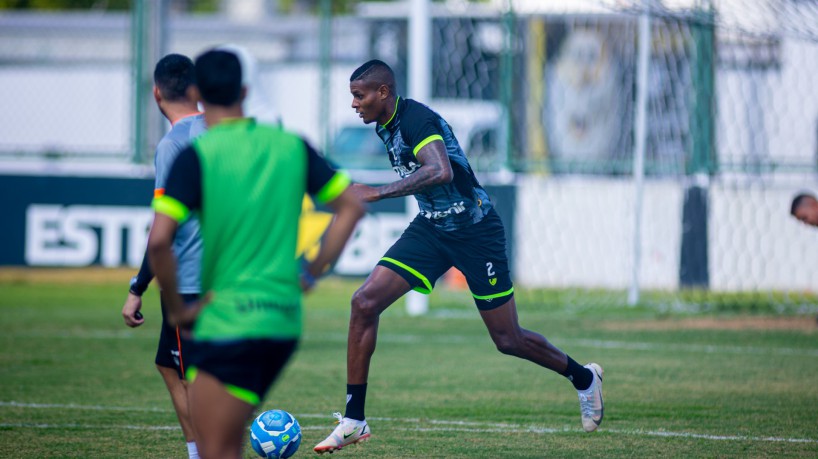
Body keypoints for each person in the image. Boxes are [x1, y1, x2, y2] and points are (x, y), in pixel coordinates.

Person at [314, 59, 604, 454]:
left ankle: (583, 378)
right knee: (364, 302)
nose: (353, 104)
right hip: (431, 230)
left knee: (508, 339)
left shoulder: (417, 119)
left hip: (476, 232)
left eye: (359, 95)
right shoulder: (385, 123)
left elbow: (441, 171)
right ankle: (354, 420)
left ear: (383, 92)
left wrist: (379, 192)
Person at [147, 49, 365, 459]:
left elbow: (159, 241)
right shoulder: (290, 145)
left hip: (227, 320)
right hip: (282, 322)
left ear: (196, 93)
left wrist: (177, 309)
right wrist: (313, 272)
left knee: (216, 449)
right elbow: (351, 207)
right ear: (244, 91)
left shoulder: (197, 156)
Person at [120, 53, 205, 459]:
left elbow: (162, 230)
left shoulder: (173, 144)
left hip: (189, 278)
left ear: (156, 93)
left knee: (190, 375)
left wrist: (138, 286)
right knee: (169, 365)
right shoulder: (221, 130)